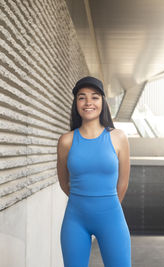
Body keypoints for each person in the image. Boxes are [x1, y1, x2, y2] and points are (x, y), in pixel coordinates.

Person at [57, 76, 132, 267]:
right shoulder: (66, 141)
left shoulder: (118, 137)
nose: (88, 102)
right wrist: (83, 198)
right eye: (82, 97)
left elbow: (123, 182)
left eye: (95, 97)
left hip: (111, 218)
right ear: (76, 103)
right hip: (75, 220)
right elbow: (64, 181)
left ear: (103, 102)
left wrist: (106, 203)